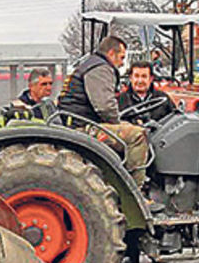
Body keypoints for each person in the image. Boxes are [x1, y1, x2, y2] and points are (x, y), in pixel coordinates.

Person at [58, 36, 150, 184]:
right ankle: (137, 190)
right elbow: (105, 107)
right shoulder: (100, 68)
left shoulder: (90, 64)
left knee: (129, 127)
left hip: (76, 121)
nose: (121, 64)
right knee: (138, 136)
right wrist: (118, 122)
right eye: (121, 58)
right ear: (111, 53)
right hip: (81, 127)